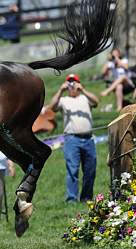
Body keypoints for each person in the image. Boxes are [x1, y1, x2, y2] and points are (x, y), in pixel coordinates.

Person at [48, 73, 99, 202]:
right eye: (69, 82)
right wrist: (60, 90)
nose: (72, 85)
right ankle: (71, 199)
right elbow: (52, 107)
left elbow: (96, 101)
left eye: (74, 82)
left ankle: (86, 198)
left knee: (90, 171)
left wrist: (83, 90)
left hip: (88, 139)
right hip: (72, 140)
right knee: (73, 170)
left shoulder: (84, 98)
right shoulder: (64, 100)